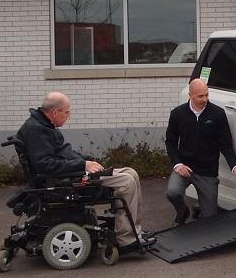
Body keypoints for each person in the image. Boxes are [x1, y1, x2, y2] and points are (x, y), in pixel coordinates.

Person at [16, 91, 154, 252]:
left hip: (70, 173)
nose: (69, 116)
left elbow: (64, 152)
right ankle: (126, 239)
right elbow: (45, 165)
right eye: (67, 112)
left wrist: (87, 160)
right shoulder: (37, 130)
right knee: (126, 181)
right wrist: (83, 165)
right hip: (62, 181)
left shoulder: (44, 125)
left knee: (131, 173)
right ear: (55, 112)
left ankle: (134, 231)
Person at [165, 78, 236, 225]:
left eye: (206, 95)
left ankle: (205, 210)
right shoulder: (178, 114)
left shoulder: (217, 114)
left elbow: (225, 145)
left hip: (207, 171)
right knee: (172, 192)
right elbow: (171, 142)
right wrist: (178, 164)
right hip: (185, 168)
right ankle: (182, 212)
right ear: (190, 95)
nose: (204, 99)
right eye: (200, 96)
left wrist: (235, 167)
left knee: (209, 221)